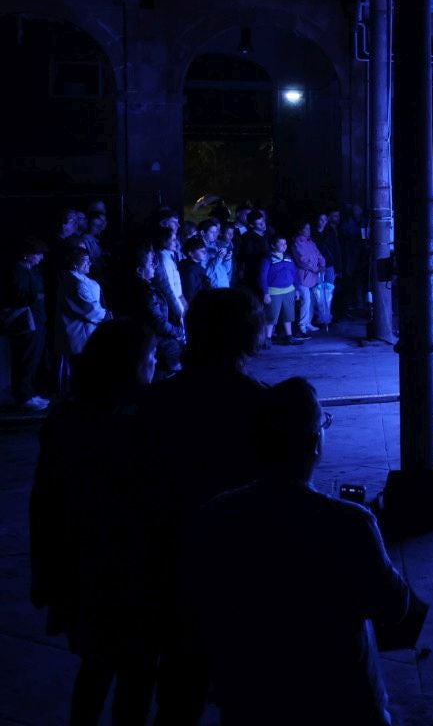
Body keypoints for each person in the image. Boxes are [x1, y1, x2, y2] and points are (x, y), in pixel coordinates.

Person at [187, 377, 426, 725]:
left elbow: (199, 611)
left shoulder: (214, 516)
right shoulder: (348, 522)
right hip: (340, 699)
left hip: (252, 698)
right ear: (315, 442)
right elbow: (394, 606)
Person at [138, 287, 269, 723]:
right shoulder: (258, 403)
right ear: (248, 337)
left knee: (179, 687)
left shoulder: (156, 401)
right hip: (242, 564)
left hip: (171, 559)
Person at [30, 319, 158, 726]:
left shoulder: (70, 416)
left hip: (82, 562)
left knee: (96, 668)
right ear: (132, 364)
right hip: (131, 566)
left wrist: (45, 572)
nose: (155, 364)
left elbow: (44, 500)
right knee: (136, 673)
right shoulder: (141, 421)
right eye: (150, 357)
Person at [4, 237, 50, 411]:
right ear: (26, 255)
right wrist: (34, 297)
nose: (41, 257)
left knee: (33, 357)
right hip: (27, 320)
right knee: (25, 358)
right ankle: (23, 396)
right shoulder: (18, 271)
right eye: (37, 254)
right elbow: (17, 295)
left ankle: (29, 393)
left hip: (37, 319)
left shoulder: (32, 270)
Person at [131, 247, 184, 378]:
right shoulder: (146, 292)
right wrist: (177, 332)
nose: (154, 265)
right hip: (157, 343)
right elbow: (158, 322)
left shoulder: (143, 289)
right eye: (150, 263)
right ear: (139, 270)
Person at [259, 235, 304, 346]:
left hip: (289, 290)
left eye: (285, 243)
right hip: (274, 292)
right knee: (272, 317)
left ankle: (289, 337)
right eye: (281, 243)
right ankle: (267, 339)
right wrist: (266, 293)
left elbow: (294, 273)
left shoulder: (288, 257)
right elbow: (263, 276)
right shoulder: (268, 259)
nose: (284, 245)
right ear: (273, 245)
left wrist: (297, 289)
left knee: (288, 315)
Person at [290, 221, 325, 337]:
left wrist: (322, 265)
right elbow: (300, 260)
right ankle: (302, 325)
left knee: (312, 300)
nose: (308, 231)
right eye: (306, 229)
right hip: (303, 275)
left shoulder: (311, 242)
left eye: (309, 228)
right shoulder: (297, 243)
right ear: (300, 230)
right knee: (306, 300)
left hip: (313, 276)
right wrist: (312, 268)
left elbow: (319, 254)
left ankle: (308, 322)